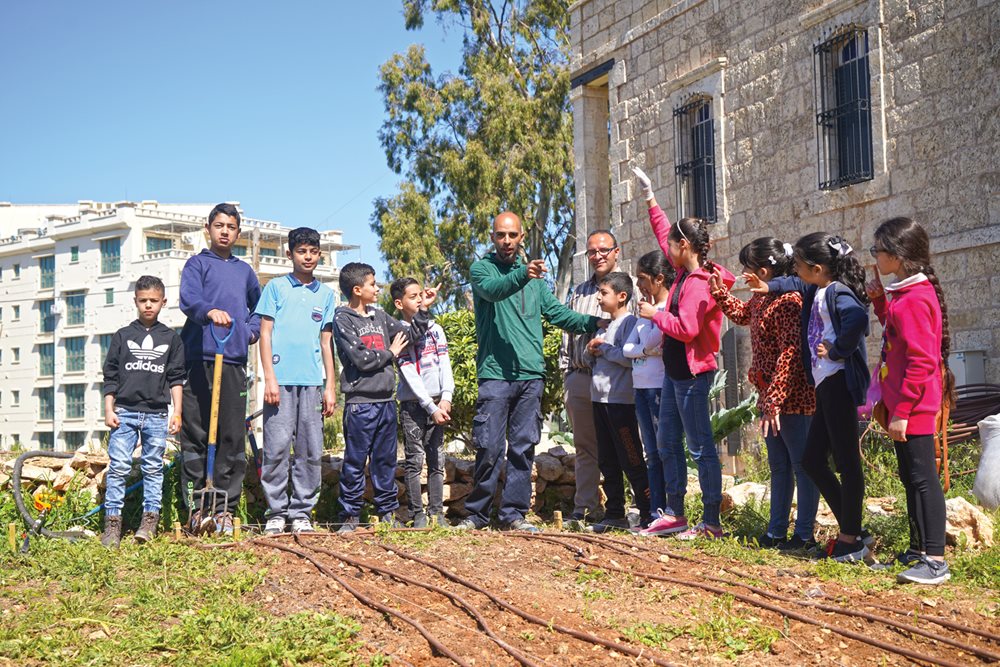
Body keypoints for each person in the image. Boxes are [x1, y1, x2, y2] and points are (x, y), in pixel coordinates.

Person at [458, 212, 606, 532]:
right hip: (495, 374)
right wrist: (524, 274)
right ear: (493, 237)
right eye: (501, 235)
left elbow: (558, 314)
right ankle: (477, 514)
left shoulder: (535, 282)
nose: (507, 241)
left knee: (523, 448)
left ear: (522, 237)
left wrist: (595, 322)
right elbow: (495, 290)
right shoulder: (483, 270)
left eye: (513, 235)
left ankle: (513, 514)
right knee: (490, 446)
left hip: (530, 376)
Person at [747, 232, 871, 562]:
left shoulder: (837, 292)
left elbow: (858, 318)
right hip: (825, 387)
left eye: (799, 265)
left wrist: (838, 349)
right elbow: (788, 283)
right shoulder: (815, 287)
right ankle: (853, 527)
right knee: (813, 460)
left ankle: (850, 538)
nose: (794, 270)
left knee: (846, 462)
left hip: (839, 385)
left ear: (816, 269)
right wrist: (767, 287)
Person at [632, 166, 735, 540]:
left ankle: (710, 521)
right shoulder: (680, 272)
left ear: (685, 247)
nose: (667, 249)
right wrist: (650, 198)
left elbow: (688, 329)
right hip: (675, 375)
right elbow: (664, 234)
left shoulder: (697, 284)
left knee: (701, 446)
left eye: (673, 245)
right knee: (666, 443)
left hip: (692, 375)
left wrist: (656, 315)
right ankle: (674, 513)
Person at [707, 238, 819, 552]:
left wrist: (775, 400)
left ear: (764, 271)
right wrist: (720, 293)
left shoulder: (789, 302)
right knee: (780, 467)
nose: (742, 273)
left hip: (792, 400)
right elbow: (744, 315)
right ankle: (776, 532)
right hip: (771, 400)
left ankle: (805, 535)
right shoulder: (762, 298)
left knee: (802, 467)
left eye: (746, 268)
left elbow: (791, 353)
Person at [868, 217, 953, 584]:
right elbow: (900, 338)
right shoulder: (905, 295)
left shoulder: (915, 299)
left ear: (898, 256)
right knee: (910, 476)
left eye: (878, 250)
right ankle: (918, 550)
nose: (875, 256)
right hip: (905, 403)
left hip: (914, 405)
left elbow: (921, 360)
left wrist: (902, 412)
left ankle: (935, 559)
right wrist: (880, 303)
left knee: (923, 479)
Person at [332, 262, 434, 533]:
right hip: (360, 405)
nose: (378, 289)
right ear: (357, 289)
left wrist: (423, 309)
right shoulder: (342, 319)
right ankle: (350, 516)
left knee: (385, 461)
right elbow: (361, 359)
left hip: (386, 403)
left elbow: (409, 336)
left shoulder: (379, 316)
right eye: (372, 284)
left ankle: (387, 512)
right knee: (355, 462)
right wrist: (390, 353)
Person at [179, 203, 261, 535]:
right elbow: (189, 299)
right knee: (197, 432)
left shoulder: (245, 272)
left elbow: (260, 305)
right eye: (219, 225)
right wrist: (208, 312)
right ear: (208, 229)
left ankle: (225, 509)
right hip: (199, 358)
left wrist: (250, 330)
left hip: (233, 360)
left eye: (231, 226)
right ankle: (198, 508)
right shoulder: (197, 264)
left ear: (238, 232)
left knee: (230, 435)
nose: (224, 231)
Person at [256, 227, 337, 536]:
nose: (308, 256)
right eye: (301, 251)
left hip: (312, 383)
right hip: (280, 383)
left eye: (313, 251)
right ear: (289, 254)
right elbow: (265, 334)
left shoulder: (327, 294)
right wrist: (270, 379)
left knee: (310, 448)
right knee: (276, 448)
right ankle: (275, 513)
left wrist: (330, 385)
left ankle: (302, 512)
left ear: (319, 255)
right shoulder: (276, 288)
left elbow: (326, 342)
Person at [101, 275, 185, 547]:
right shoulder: (123, 336)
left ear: (163, 302)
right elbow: (110, 376)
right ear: (135, 301)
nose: (148, 305)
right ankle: (112, 524)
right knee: (119, 467)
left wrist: (177, 412)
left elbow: (176, 378)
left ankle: (149, 522)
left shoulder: (171, 338)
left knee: (152, 467)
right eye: (143, 300)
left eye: (154, 300)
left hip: (157, 414)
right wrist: (109, 409)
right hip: (124, 412)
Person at [559, 230, 625, 527]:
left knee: (626, 445)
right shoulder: (579, 292)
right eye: (592, 252)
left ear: (616, 252)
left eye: (603, 250)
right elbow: (566, 334)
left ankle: (634, 508)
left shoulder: (630, 287)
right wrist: (567, 374)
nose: (597, 256)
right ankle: (585, 508)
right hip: (581, 378)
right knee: (586, 448)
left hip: (618, 383)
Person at [585, 271, 650, 533]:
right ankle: (614, 513)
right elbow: (603, 359)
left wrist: (605, 349)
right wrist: (593, 351)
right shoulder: (607, 325)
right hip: (599, 400)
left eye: (604, 293)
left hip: (620, 402)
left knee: (631, 457)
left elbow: (629, 357)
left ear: (622, 296)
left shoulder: (630, 323)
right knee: (607, 459)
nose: (599, 298)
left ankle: (647, 512)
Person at [391, 276, 455, 528]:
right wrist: (430, 406)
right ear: (399, 303)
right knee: (414, 460)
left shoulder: (436, 330)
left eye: (421, 295)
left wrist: (446, 398)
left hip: (439, 405)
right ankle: (417, 514)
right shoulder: (398, 333)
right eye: (412, 296)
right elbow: (409, 374)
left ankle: (437, 513)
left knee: (437, 460)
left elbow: (444, 366)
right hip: (414, 406)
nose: (419, 299)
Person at [623, 250, 673, 523]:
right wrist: (644, 350)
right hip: (640, 387)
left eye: (642, 278)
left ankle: (669, 509)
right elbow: (628, 348)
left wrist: (644, 347)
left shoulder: (664, 311)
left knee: (662, 451)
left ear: (659, 278)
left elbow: (658, 340)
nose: (639, 285)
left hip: (657, 387)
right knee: (651, 453)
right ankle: (655, 511)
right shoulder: (643, 312)